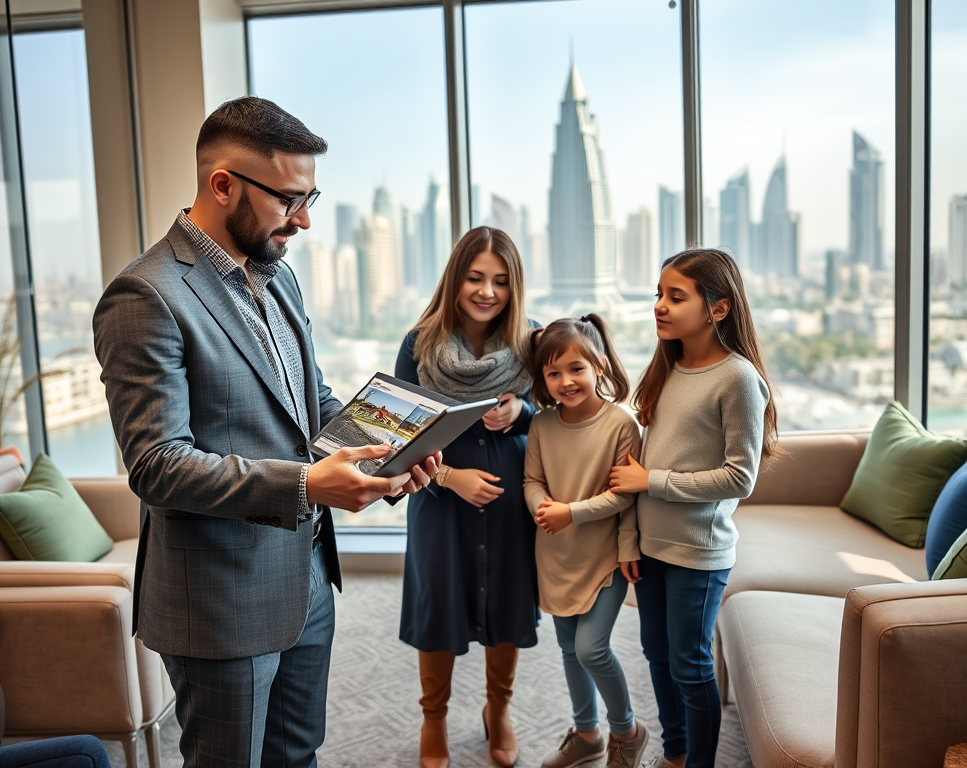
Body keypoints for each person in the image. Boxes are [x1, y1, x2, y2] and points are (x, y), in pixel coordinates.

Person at [92, 96, 437, 768]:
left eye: (311, 197)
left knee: (297, 756)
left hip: (306, 577)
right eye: (290, 199)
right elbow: (158, 465)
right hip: (220, 600)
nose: (305, 219)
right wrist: (309, 483)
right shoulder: (146, 296)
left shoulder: (275, 277)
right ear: (223, 185)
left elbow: (307, 404)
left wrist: (390, 451)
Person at [609, 249, 778, 768]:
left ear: (718, 309)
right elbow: (644, 465)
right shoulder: (670, 366)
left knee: (689, 663)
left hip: (698, 552)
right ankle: (676, 753)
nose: (659, 306)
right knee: (658, 657)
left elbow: (739, 477)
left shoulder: (738, 378)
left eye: (675, 296)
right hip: (651, 547)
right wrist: (630, 537)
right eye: (658, 295)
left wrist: (651, 482)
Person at [394, 226, 539, 768]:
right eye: (476, 278)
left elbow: (563, 414)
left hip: (510, 508)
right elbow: (397, 434)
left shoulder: (532, 341)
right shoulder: (419, 344)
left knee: (505, 604)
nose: (487, 292)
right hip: (438, 504)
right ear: (456, 279)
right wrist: (451, 477)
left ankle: (497, 711)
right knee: (439, 608)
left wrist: (521, 412)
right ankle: (434, 720)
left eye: (501, 281)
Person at [523, 315, 650, 768]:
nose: (565, 381)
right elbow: (532, 480)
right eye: (552, 373)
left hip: (605, 558)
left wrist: (569, 512)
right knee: (566, 649)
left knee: (590, 648)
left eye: (575, 368)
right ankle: (587, 734)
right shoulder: (541, 424)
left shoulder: (621, 424)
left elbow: (624, 495)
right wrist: (541, 505)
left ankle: (627, 731)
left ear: (598, 365)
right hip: (555, 555)